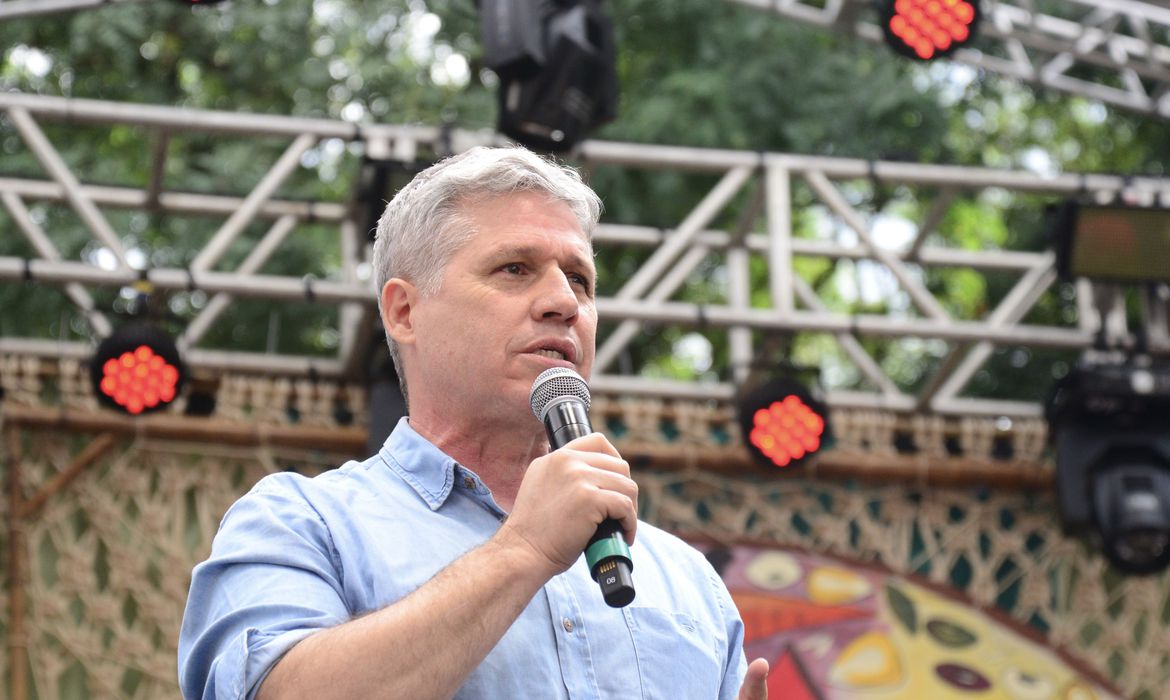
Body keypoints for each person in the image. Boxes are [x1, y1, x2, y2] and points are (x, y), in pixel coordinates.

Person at [178, 146, 770, 699]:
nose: (564, 302)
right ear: (404, 312)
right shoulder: (301, 523)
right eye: (515, 269)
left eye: (581, 280)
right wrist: (523, 550)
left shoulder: (691, 584)